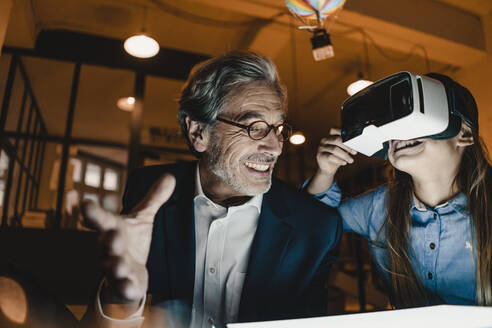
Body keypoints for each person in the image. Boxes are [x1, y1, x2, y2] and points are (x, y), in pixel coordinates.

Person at [82, 51, 341, 328]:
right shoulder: (148, 193)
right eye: (254, 127)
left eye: (278, 129)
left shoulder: (316, 228)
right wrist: (120, 300)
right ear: (198, 133)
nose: (275, 147)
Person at [305, 73, 492, 308]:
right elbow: (309, 225)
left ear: (463, 134)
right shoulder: (377, 207)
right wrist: (325, 171)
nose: (398, 134)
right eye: (391, 127)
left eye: (414, 121)